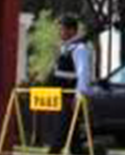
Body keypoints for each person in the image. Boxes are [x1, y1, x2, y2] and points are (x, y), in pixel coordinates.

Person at [48, 15, 96, 154]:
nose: (60, 32)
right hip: (60, 96)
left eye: (62, 29)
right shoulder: (65, 48)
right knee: (73, 137)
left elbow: (83, 73)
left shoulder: (79, 49)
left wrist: (79, 96)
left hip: (69, 98)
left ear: (72, 31)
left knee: (60, 133)